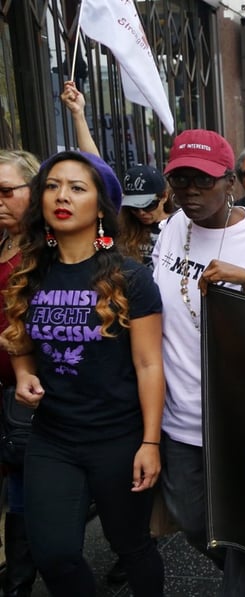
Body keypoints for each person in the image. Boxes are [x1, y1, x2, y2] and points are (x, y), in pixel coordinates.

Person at [2, 150, 165, 596]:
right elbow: (19, 336)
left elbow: (150, 364)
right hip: (52, 438)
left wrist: (150, 442)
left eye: (77, 188)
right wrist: (22, 373)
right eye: (53, 186)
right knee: (53, 554)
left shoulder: (130, 277)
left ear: (100, 204)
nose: (62, 196)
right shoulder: (31, 272)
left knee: (131, 547)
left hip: (119, 437)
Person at [152, 130, 245, 596]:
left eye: (203, 180)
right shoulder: (172, 226)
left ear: (231, 182)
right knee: (192, 520)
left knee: (241, 529)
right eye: (180, 179)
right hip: (179, 415)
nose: (190, 190)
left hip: (239, 417)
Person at [0, 150, 40, 596]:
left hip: (28, 392)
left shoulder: (49, 247)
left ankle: (20, 583)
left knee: (24, 491)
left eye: (7, 191)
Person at [120, 164, 176, 268]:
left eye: (148, 205)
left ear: (164, 196)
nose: (141, 213)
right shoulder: (125, 228)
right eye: (134, 207)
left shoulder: (178, 226)